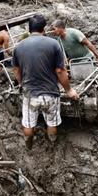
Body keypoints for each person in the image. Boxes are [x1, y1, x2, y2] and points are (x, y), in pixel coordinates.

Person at [13, 15, 79, 149]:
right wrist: (69, 90)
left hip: (30, 93)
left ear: (29, 29)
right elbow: (60, 71)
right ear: (43, 29)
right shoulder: (53, 44)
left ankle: (29, 145)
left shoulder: (18, 47)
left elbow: (16, 70)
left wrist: (21, 84)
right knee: (51, 123)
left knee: (28, 124)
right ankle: (52, 143)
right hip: (50, 93)